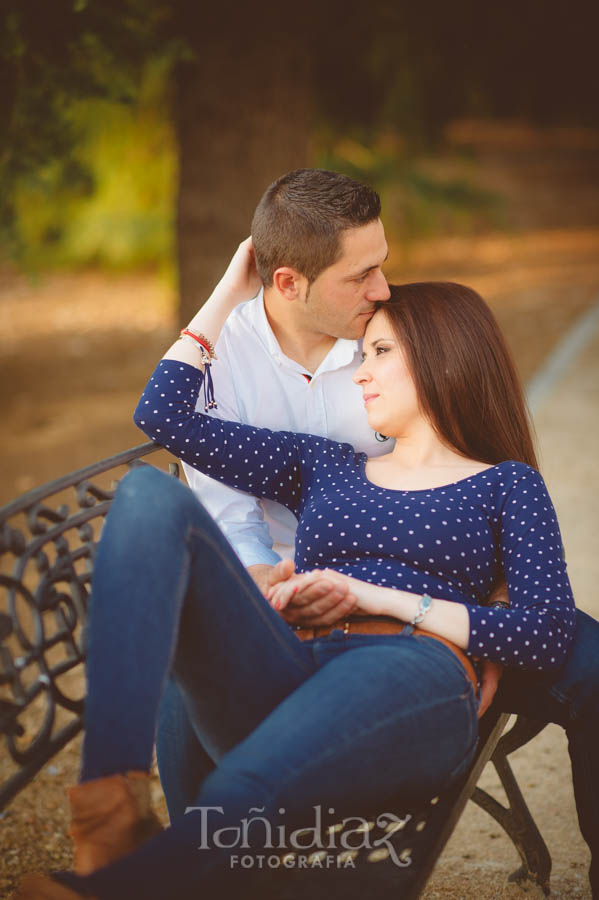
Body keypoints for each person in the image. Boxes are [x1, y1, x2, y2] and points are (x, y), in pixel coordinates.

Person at [17, 244, 576, 898]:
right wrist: (229, 291)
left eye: (379, 353)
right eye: (361, 354)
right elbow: (164, 416)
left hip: (409, 669)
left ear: (443, 353)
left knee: (246, 786)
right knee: (150, 495)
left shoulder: (505, 485)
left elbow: (545, 633)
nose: (359, 374)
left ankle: (120, 889)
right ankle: (109, 805)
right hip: (288, 660)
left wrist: (379, 597)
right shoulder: (325, 463)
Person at [158, 169, 599, 898]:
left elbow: (467, 476)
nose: (382, 289)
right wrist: (273, 584)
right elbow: (188, 452)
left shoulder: (384, 331)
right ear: (291, 282)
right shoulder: (245, 370)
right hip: (300, 594)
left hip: (427, 611)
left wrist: (473, 621)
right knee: (197, 636)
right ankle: (199, 864)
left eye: (380, 265)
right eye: (361, 273)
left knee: (589, 663)